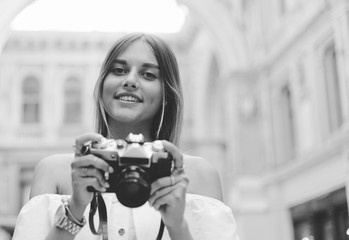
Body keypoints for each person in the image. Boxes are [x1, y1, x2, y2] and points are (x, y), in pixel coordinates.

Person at [12, 33, 238, 240]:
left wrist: (177, 226)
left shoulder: (197, 176)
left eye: (148, 74)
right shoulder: (54, 172)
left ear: (166, 95)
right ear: (102, 86)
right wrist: (76, 208)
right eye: (118, 70)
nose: (130, 81)